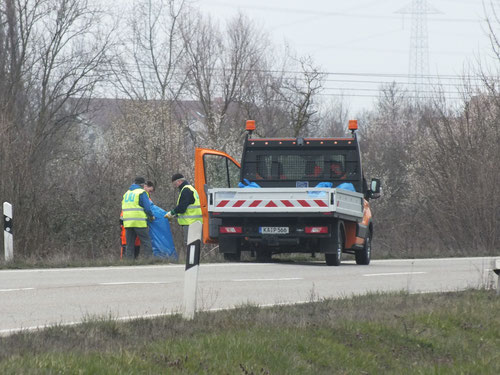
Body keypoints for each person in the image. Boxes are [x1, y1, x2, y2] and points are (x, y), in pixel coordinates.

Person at [164, 173, 203, 245]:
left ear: (179, 182)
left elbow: (182, 207)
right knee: (195, 244)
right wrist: (176, 215)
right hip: (196, 222)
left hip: (190, 223)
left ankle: (191, 257)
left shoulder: (186, 190)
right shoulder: (191, 188)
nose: (175, 186)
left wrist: (172, 213)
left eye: (175, 184)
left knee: (190, 244)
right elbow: (188, 206)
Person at [121, 176, 154, 259]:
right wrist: (151, 216)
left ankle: (129, 262)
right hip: (139, 222)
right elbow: (147, 208)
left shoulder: (127, 193)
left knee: (129, 244)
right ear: (142, 184)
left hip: (128, 223)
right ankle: (149, 260)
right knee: (146, 242)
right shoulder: (141, 192)